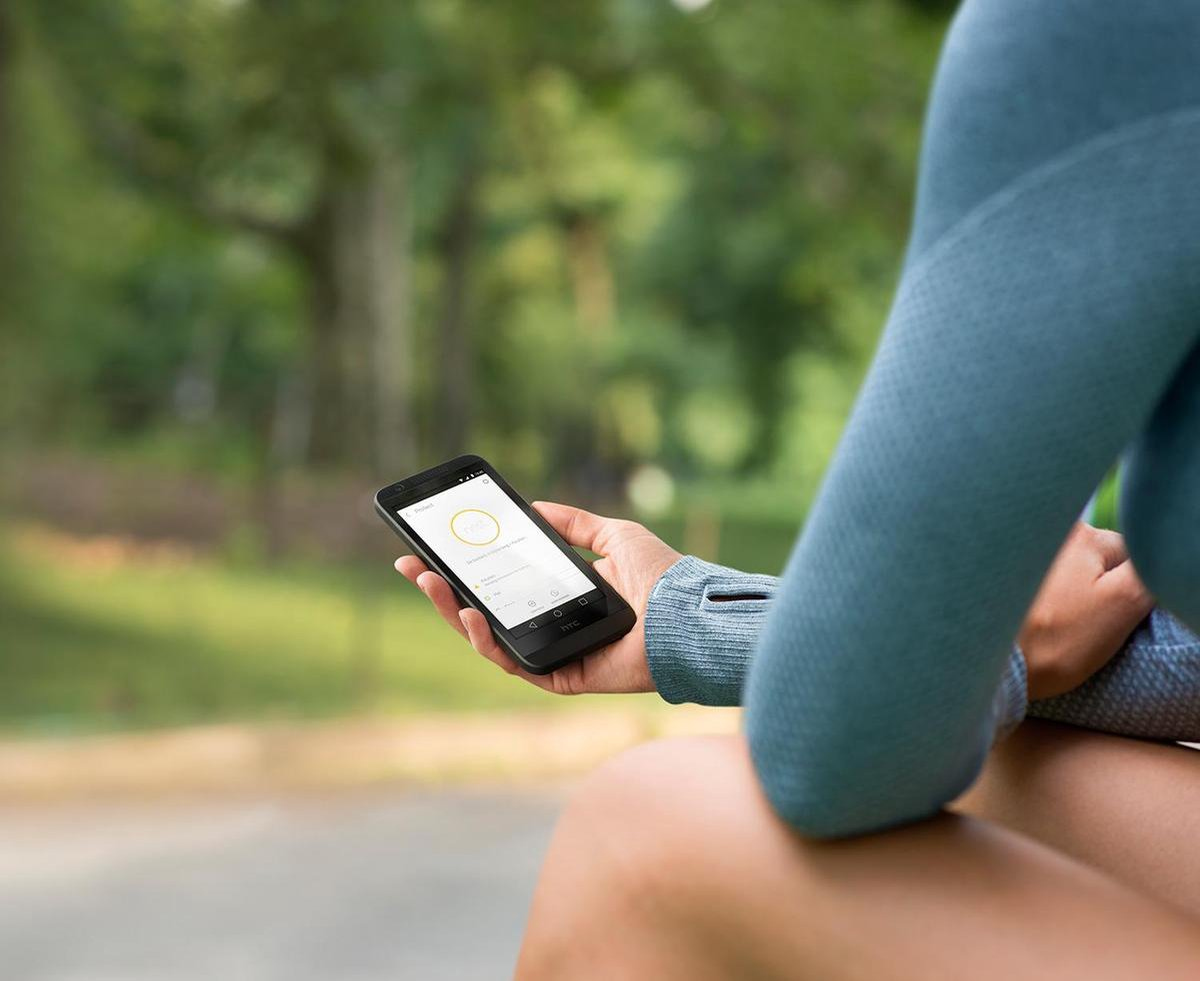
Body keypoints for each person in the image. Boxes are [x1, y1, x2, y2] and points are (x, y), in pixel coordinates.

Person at [400, 0, 1200, 974]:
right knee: (1015, 776)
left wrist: (1001, 645)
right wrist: (691, 621)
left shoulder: (1107, 34)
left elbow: (840, 755)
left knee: (646, 829)